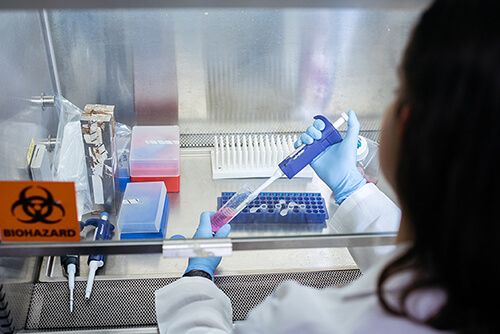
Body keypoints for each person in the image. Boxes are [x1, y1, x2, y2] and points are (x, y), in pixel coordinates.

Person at [155, 1, 500, 332]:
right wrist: (350, 187)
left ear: (407, 124)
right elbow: (413, 266)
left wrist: (197, 277)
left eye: (399, 89)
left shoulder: (303, 322)